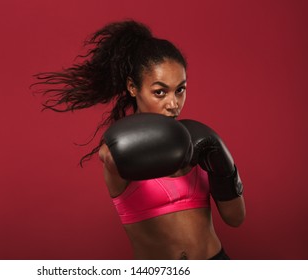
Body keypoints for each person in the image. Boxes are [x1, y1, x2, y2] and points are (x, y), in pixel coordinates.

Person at [32, 20, 246, 260]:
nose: (173, 103)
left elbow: (235, 218)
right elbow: (110, 157)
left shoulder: (198, 141)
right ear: (133, 88)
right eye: (160, 92)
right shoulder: (122, 150)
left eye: (180, 89)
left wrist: (223, 164)